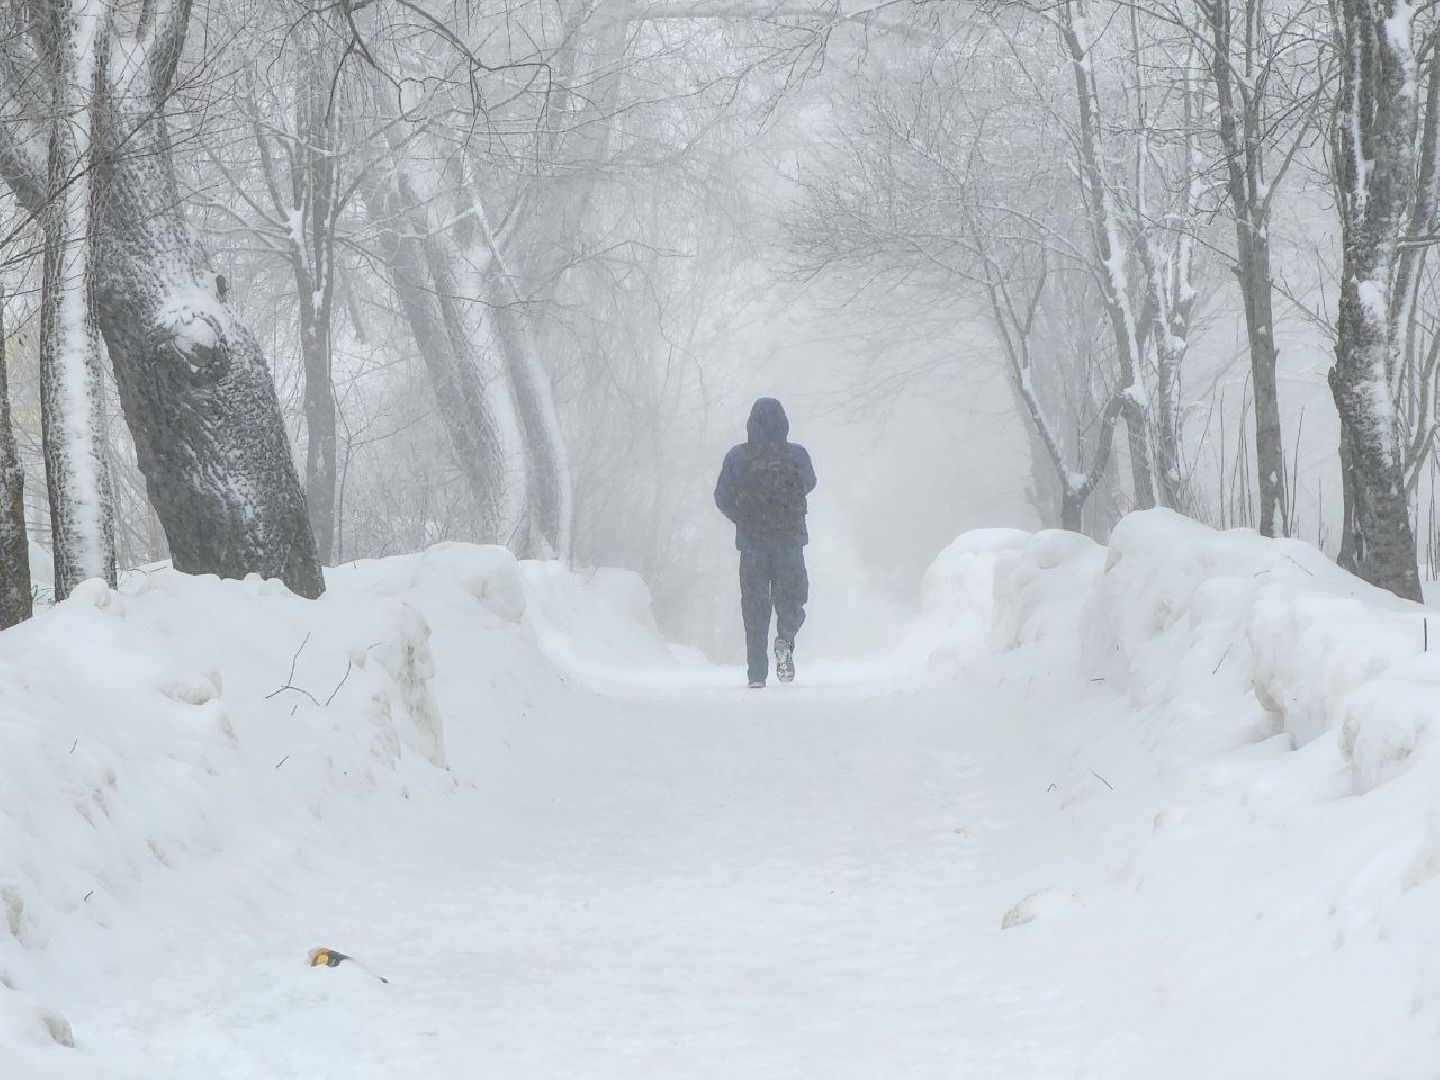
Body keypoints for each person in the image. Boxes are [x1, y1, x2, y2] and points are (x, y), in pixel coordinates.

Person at [713, 398, 817, 688]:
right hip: (790, 543)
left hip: (752, 546)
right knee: (793, 599)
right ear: (784, 423)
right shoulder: (797, 455)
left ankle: (757, 674)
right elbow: (809, 483)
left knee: (755, 609)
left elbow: (721, 496)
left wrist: (742, 519)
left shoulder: (737, 457)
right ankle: (785, 637)